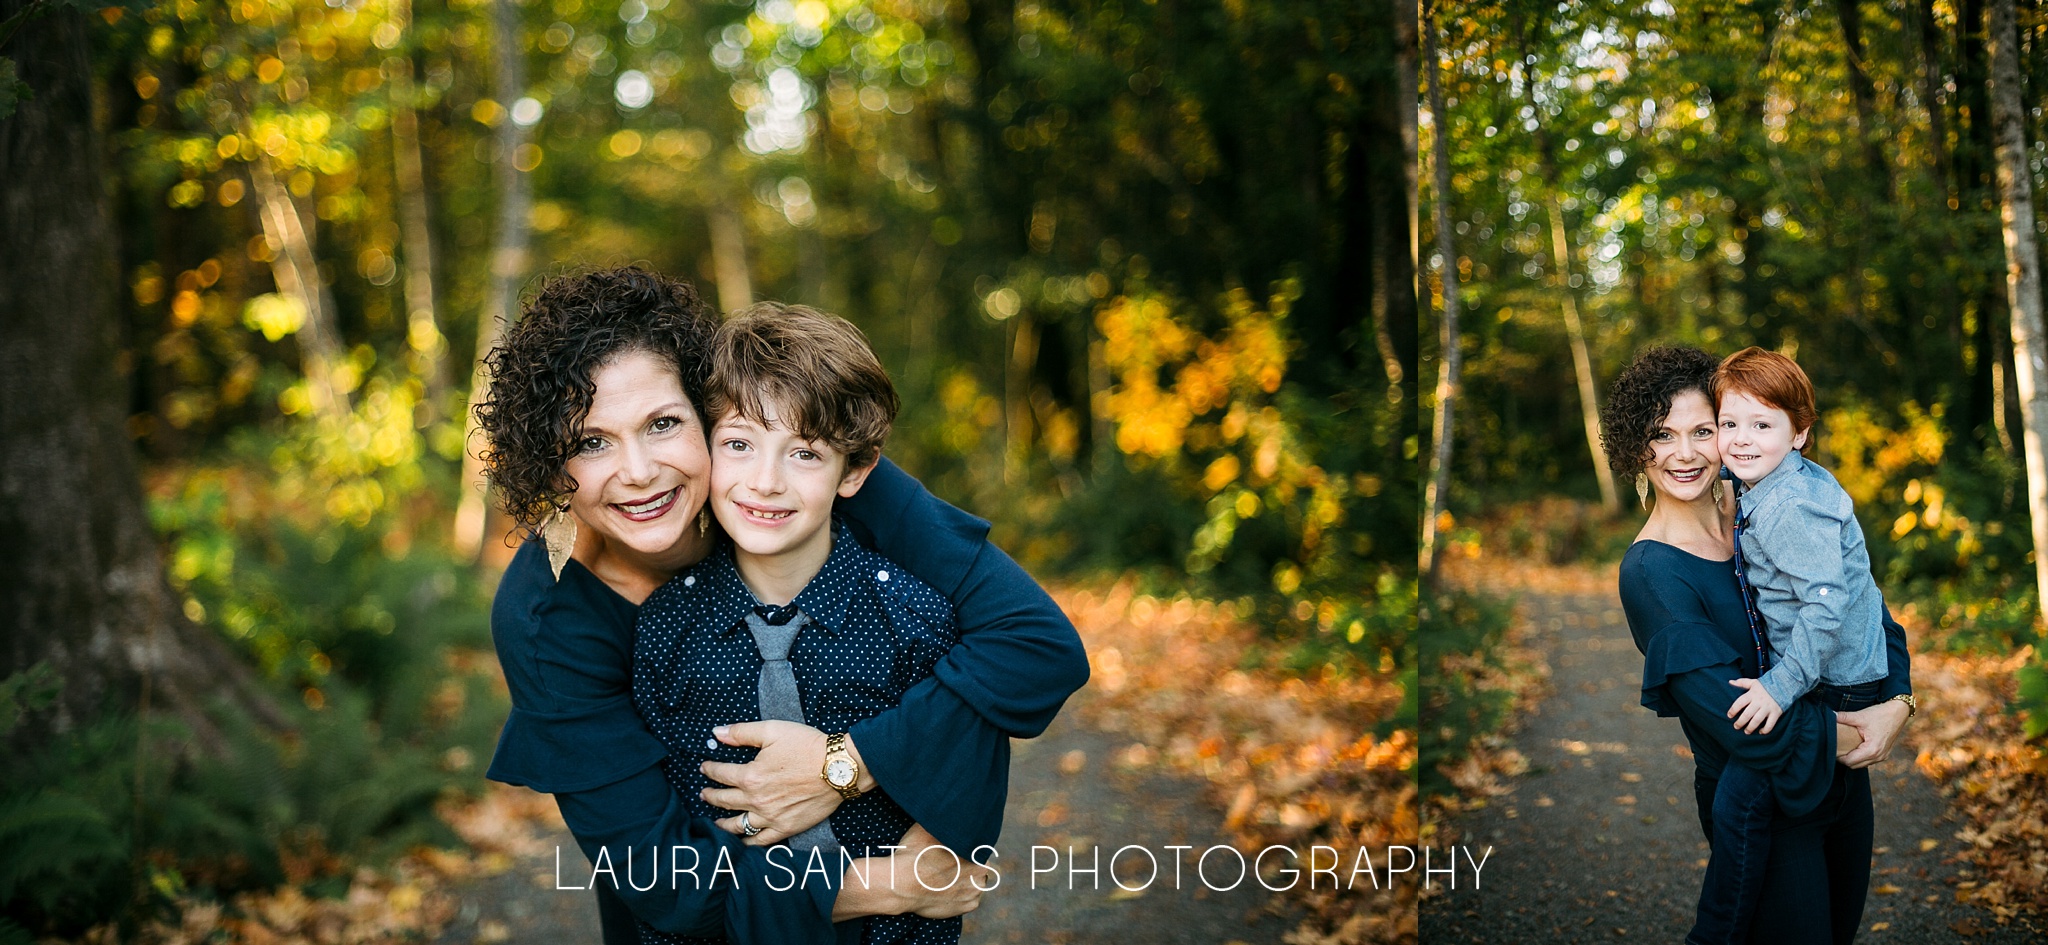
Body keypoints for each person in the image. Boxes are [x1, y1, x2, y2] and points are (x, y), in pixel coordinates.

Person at [474, 268, 1091, 942]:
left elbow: (1032, 646)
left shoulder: (790, 480)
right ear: (549, 459)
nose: (640, 470)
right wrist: (890, 883)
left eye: (663, 423)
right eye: (591, 442)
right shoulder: (547, 621)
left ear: (710, 415)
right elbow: (668, 885)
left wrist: (846, 762)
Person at [634, 301, 967, 945]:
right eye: (738, 444)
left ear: (857, 470)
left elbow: (946, 825)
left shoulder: (917, 622)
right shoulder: (663, 631)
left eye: (805, 454)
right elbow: (668, 854)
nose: (765, 481)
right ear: (705, 445)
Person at [1600, 345, 1916, 945]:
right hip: (1765, 802)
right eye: (1662, 436)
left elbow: (1859, 602)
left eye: (1702, 429)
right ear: (1636, 449)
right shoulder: (1651, 575)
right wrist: (1868, 731)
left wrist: (1899, 699)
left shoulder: (1763, 497)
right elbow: (1739, 721)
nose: (1687, 453)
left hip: (1842, 782)